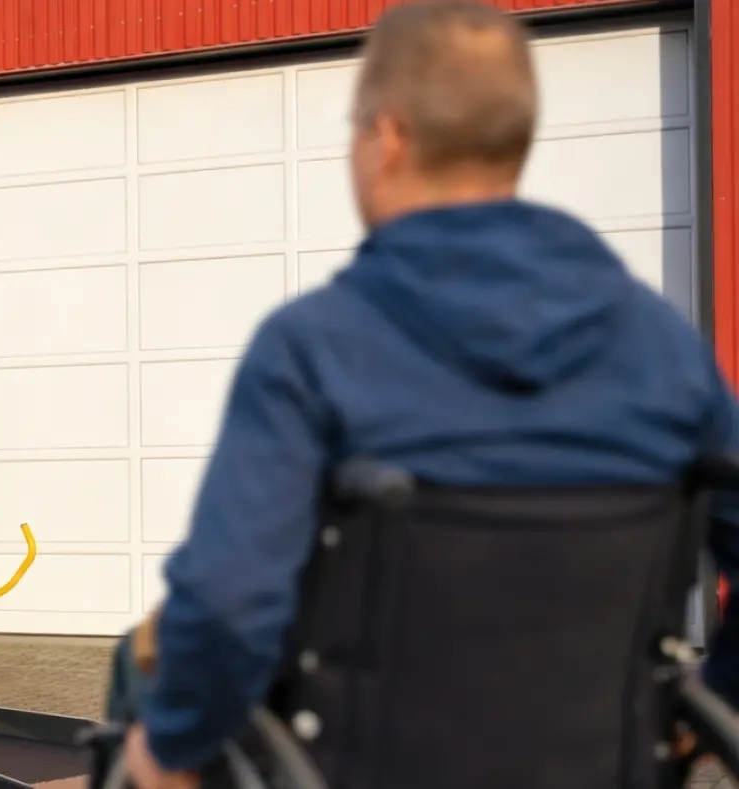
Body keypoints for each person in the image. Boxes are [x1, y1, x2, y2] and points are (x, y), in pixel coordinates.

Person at [122, 2, 739, 787]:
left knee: (144, 668)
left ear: (387, 138)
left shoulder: (313, 347)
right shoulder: (664, 351)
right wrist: (715, 700)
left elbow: (227, 604)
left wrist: (171, 748)